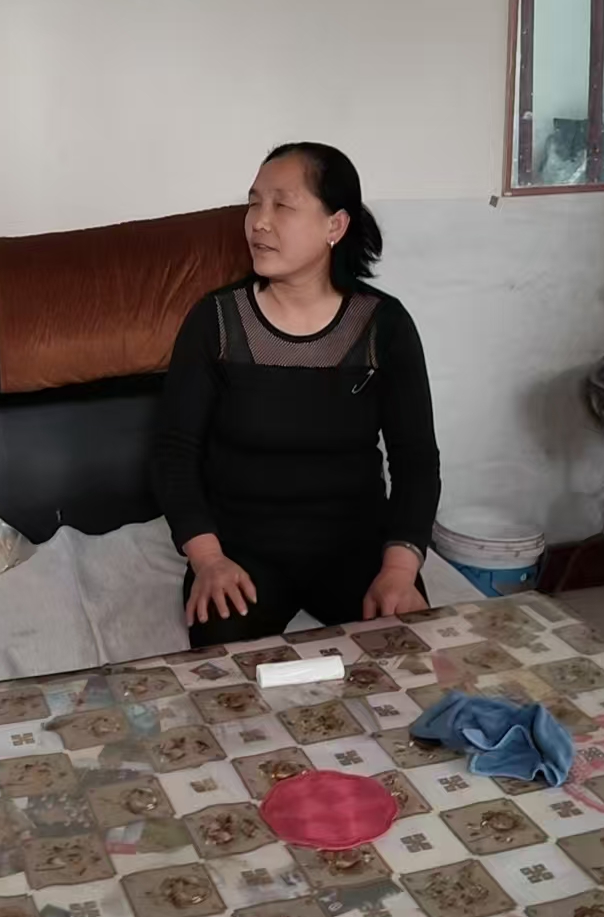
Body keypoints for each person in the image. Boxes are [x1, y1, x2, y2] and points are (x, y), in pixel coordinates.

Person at [152, 142, 441, 646]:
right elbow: (173, 453)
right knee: (222, 675)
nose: (258, 222)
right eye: (253, 204)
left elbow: (415, 460)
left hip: (355, 547)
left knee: (404, 656)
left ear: (335, 225)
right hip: (241, 553)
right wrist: (208, 560)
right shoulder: (215, 322)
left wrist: (399, 569)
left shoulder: (383, 326)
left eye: (282, 205)